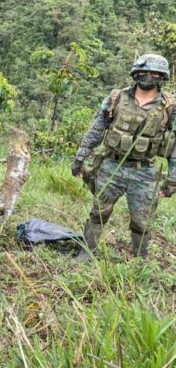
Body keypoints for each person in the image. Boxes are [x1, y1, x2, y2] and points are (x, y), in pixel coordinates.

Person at [72, 53, 176, 261]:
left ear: (162, 77)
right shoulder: (116, 98)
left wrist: (173, 178)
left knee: (141, 221)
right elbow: (96, 130)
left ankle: (139, 260)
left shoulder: (170, 107)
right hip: (111, 165)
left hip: (144, 171)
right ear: (135, 74)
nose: (148, 77)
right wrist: (80, 158)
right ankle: (86, 253)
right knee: (99, 213)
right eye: (144, 72)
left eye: (154, 73)